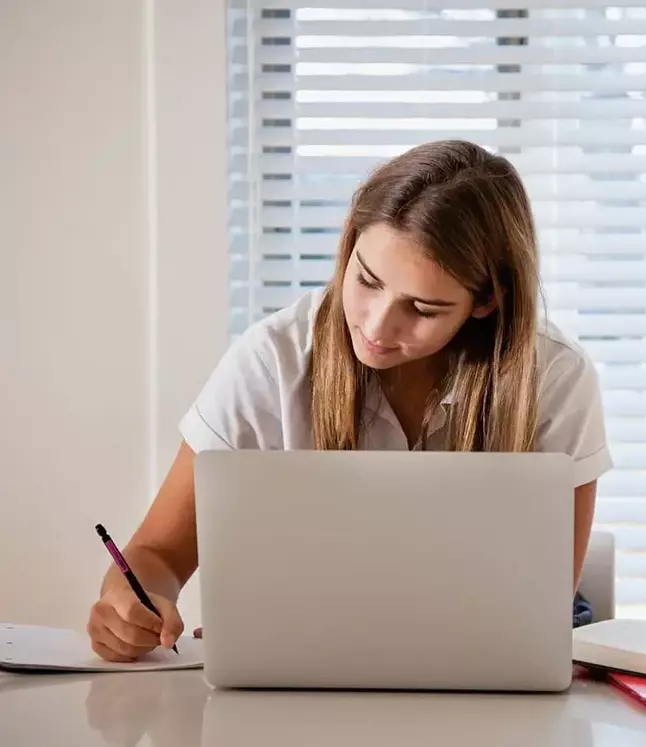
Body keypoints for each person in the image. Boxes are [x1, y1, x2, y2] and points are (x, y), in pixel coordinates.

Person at [87, 139, 612, 662]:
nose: (377, 326)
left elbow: (543, 602)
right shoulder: (274, 360)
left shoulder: (555, 377)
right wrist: (131, 602)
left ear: (486, 301)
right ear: (350, 244)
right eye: (366, 280)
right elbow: (156, 554)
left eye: (424, 309)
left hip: (481, 670)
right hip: (300, 676)